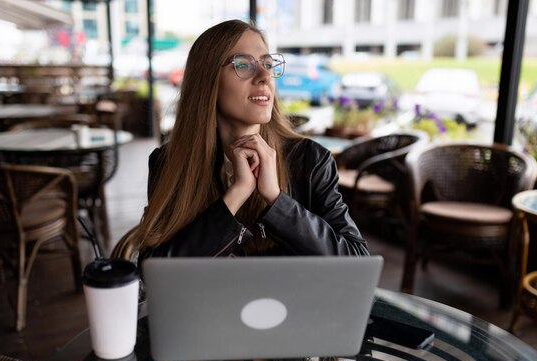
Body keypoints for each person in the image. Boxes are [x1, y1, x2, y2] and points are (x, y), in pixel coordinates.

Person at [135, 19, 368, 258]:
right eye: (244, 65)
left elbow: (356, 260)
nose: (265, 76)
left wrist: (277, 200)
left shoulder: (310, 160)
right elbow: (154, 268)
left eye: (268, 64)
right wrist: (237, 193)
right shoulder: (168, 162)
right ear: (207, 81)